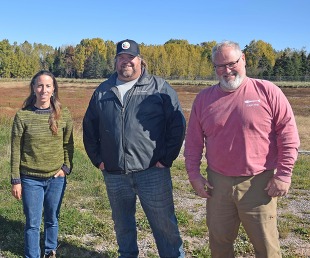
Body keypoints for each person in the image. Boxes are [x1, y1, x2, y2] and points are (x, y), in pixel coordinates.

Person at [184, 41, 300, 258]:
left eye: (231, 63)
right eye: (219, 66)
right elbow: (193, 143)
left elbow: (288, 135)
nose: (226, 70)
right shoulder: (203, 100)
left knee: (267, 247)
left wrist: (284, 174)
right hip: (217, 184)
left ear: (243, 60)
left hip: (259, 183)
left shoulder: (267, 92)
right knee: (219, 244)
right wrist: (194, 176)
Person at [83, 39, 186, 257]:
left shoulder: (159, 87)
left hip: (152, 172)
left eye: (131, 58)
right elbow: (89, 127)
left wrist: (166, 159)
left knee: (165, 226)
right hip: (115, 174)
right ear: (116, 61)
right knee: (123, 226)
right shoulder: (103, 90)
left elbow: (177, 126)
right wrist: (98, 159)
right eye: (121, 58)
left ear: (140, 60)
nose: (126, 62)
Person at [11, 70, 74, 258]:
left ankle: (50, 251)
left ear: (54, 89)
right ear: (33, 88)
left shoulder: (64, 114)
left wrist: (65, 168)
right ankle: (32, 255)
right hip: (30, 179)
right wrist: (16, 180)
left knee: (52, 218)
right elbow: (15, 150)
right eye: (39, 85)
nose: (43, 90)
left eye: (48, 86)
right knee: (32, 222)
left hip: (56, 178)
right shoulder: (22, 116)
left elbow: (68, 144)